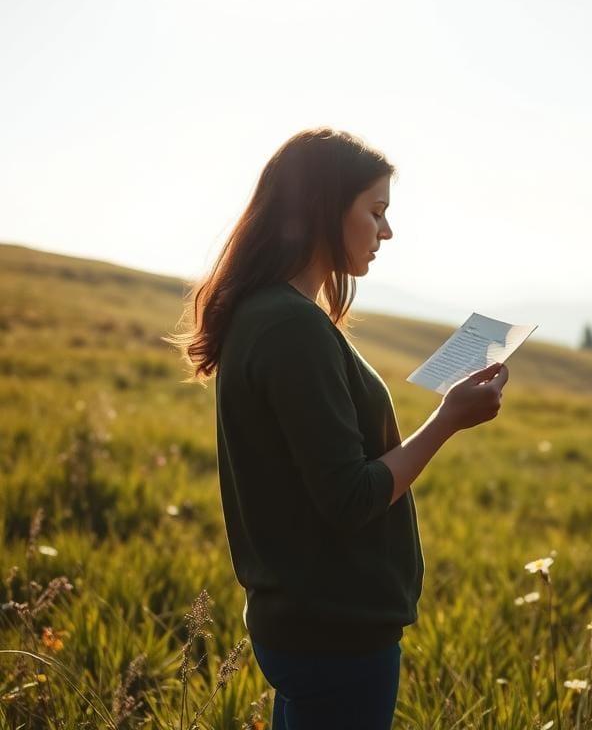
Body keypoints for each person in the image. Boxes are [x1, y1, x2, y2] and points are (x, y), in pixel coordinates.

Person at [170, 128, 509, 728]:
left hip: (308, 626)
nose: (387, 231)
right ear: (323, 207)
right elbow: (349, 497)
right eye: (375, 211)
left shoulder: (272, 314)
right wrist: (446, 421)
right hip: (336, 635)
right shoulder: (291, 328)